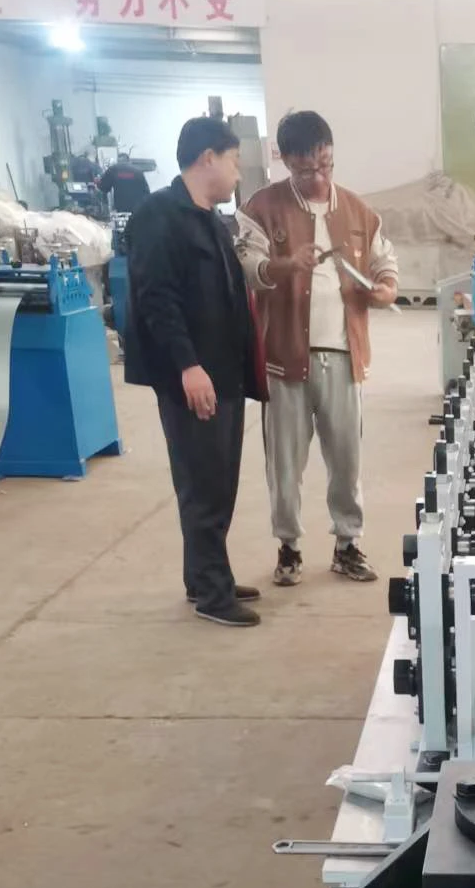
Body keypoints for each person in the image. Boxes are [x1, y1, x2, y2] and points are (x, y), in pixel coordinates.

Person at [241, 110, 398, 587]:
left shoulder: (357, 211)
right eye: (305, 169)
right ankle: (288, 546)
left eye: (325, 165)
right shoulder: (261, 209)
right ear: (285, 160)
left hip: (343, 358)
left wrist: (386, 287)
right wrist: (286, 264)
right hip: (284, 359)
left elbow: (384, 260)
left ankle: (347, 544)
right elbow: (248, 266)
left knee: (346, 459)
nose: (318, 177)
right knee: (284, 463)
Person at [125, 115, 265, 627]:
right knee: (203, 484)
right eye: (234, 162)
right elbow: (156, 299)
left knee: (219, 482)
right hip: (194, 378)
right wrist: (188, 365)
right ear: (208, 159)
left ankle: (205, 576)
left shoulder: (207, 218)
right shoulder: (159, 216)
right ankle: (212, 594)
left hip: (223, 375)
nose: (237, 173)